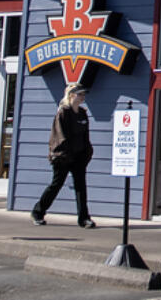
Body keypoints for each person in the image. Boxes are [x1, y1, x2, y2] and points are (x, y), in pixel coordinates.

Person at [31, 83, 96, 228]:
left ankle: (84, 218)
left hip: (79, 156)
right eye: (80, 94)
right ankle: (38, 212)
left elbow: (85, 136)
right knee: (56, 184)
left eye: (83, 94)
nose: (82, 97)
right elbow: (59, 135)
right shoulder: (63, 112)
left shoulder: (82, 113)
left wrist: (87, 152)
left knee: (81, 187)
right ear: (71, 95)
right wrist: (63, 154)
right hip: (64, 156)